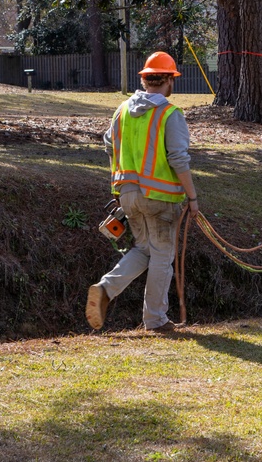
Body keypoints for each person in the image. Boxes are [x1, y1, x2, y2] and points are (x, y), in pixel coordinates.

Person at [85, 51, 199, 333]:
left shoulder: (121, 111)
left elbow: (109, 147)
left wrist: (117, 187)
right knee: (162, 255)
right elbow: (178, 159)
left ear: (146, 79)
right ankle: (155, 320)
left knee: (145, 250)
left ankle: (106, 288)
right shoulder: (169, 114)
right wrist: (193, 197)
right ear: (170, 81)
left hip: (127, 195)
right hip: (160, 199)